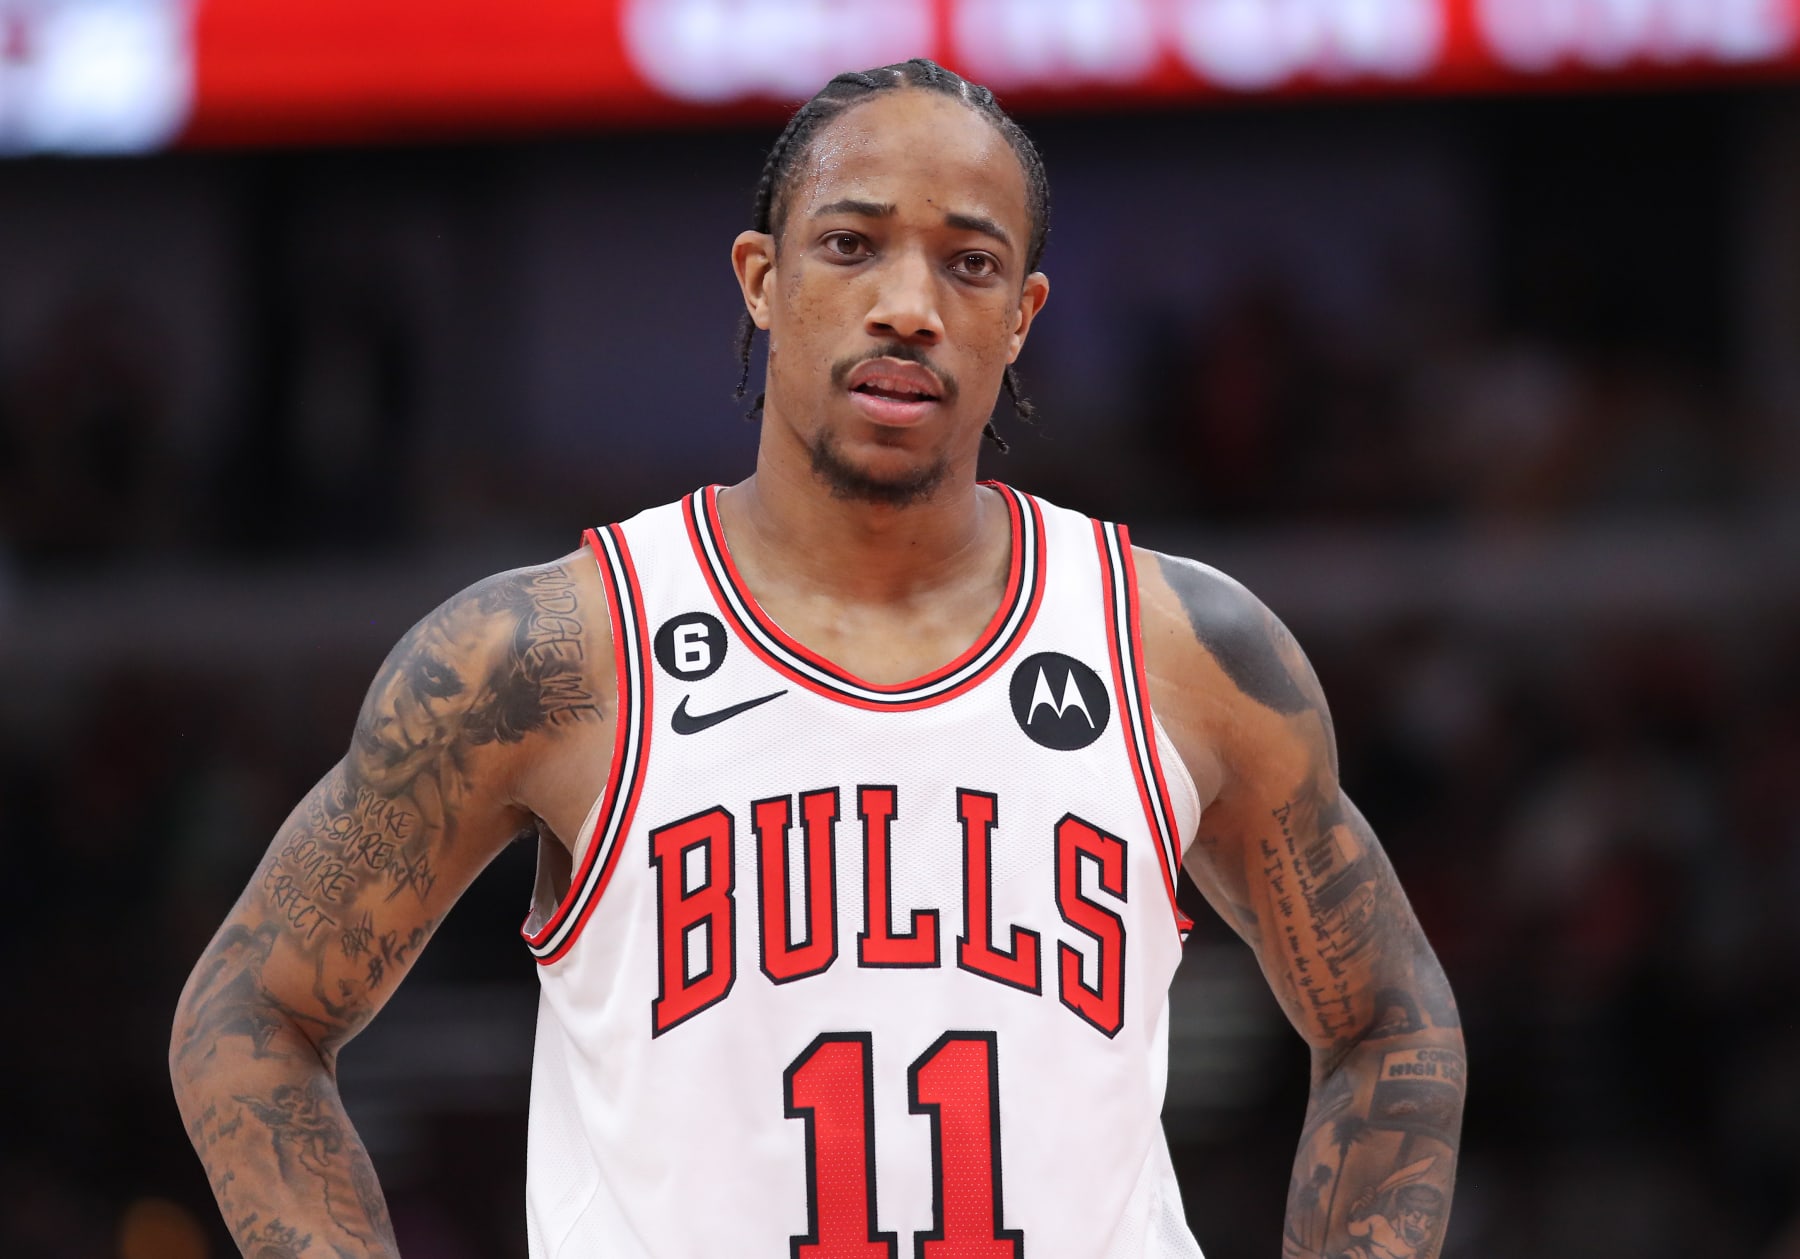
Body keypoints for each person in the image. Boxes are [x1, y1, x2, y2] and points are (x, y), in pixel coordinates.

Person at [170, 58, 1464, 1258]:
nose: (907, 305)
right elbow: (247, 1019)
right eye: (851, 246)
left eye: (968, 265)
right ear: (762, 278)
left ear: (1021, 316)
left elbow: (1391, 1021)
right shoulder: (561, 650)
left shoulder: (1181, 648)